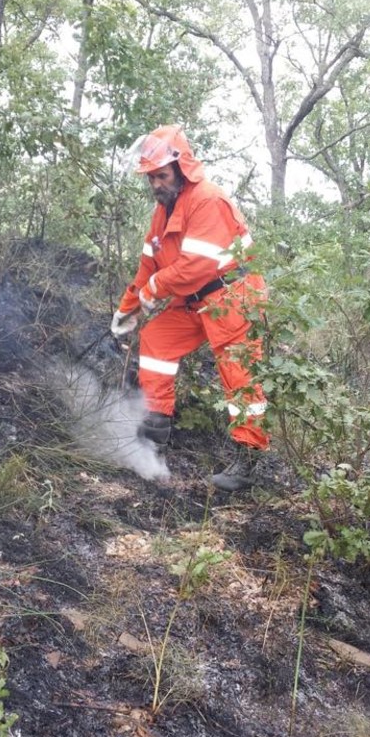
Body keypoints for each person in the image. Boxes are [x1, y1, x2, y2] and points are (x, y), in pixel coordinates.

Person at [110, 124, 270, 492]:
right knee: (156, 340)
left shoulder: (207, 200)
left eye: (161, 176)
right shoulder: (162, 212)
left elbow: (196, 266)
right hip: (196, 299)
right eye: (150, 178)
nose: (155, 185)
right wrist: (128, 308)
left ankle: (248, 460)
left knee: (238, 374)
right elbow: (149, 266)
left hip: (233, 297)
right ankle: (154, 430)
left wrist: (156, 287)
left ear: (182, 169)